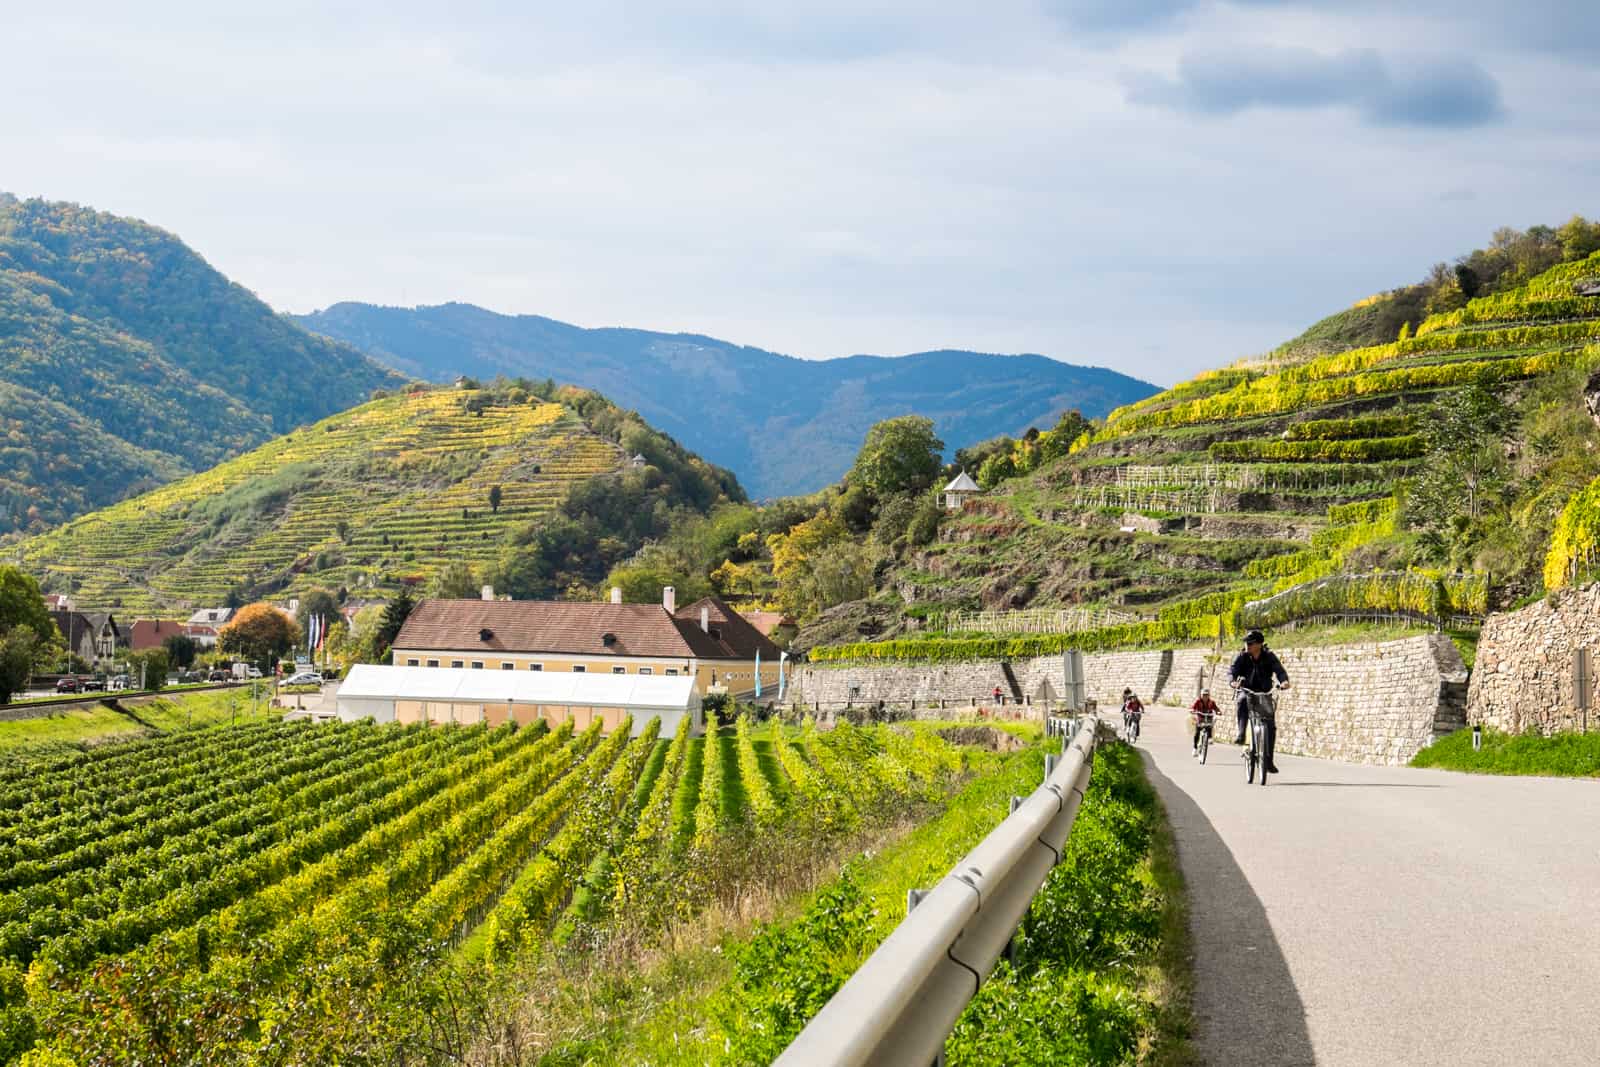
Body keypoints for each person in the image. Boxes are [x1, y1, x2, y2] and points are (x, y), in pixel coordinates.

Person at [1230, 629, 1290, 773]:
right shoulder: (1242, 656)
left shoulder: (1269, 656)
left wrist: (1284, 681)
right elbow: (1232, 671)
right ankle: (1242, 733)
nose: (1247, 645)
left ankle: (1268, 760)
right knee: (1242, 700)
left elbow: (1280, 671)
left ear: (1259, 644)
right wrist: (1233, 682)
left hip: (1264, 693)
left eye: (1250, 643)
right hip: (1247, 691)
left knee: (1270, 726)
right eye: (1246, 643)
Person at [1191, 688, 1220, 757]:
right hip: (1200, 718)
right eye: (1204, 695)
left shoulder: (1212, 702)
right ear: (1201, 695)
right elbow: (1193, 707)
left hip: (1209, 718)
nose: (1205, 696)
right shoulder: (1198, 701)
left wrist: (1218, 712)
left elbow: (1216, 708)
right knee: (1197, 733)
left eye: (1206, 695)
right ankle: (1195, 748)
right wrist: (1192, 710)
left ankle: (1209, 738)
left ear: (1209, 695)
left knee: (1210, 726)